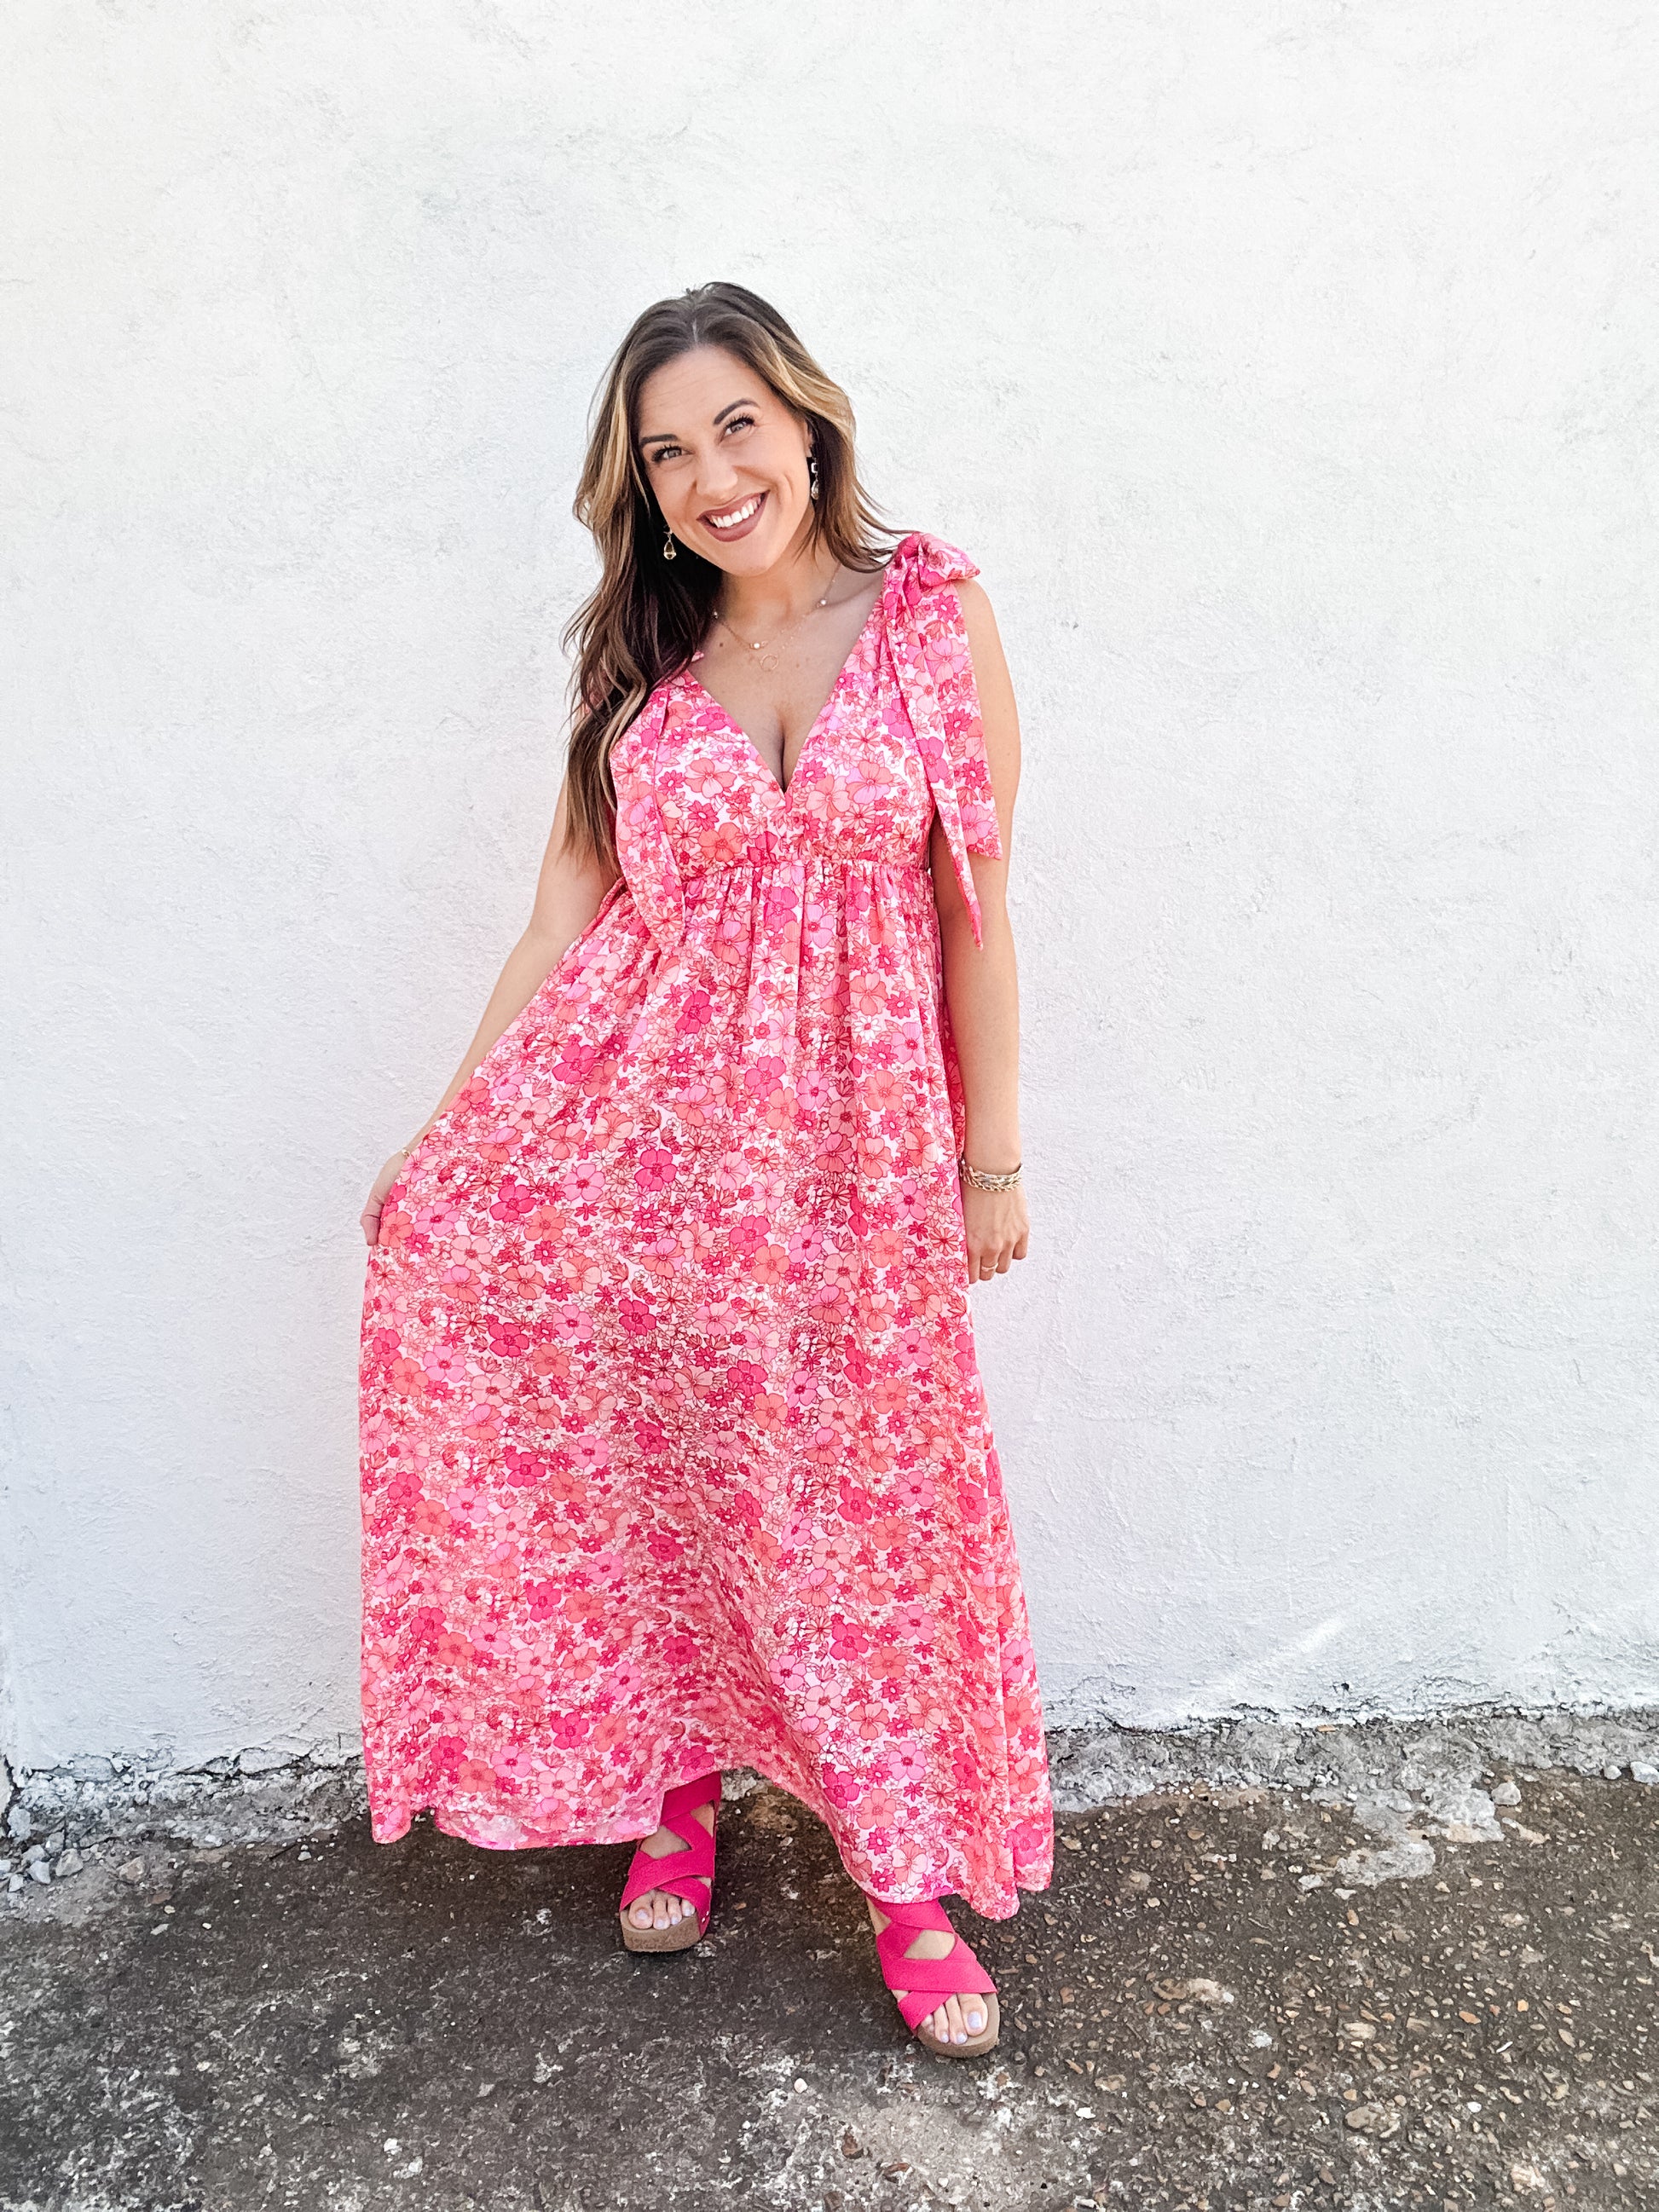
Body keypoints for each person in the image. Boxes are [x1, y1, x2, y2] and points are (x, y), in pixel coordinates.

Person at [358, 281, 1053, 2058]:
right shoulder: (640, 674)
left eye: (736, 424)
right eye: (666, 451)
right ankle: (673, 1787)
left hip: (858, 1161)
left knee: (864, 1511)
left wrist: (988, 1159)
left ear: (808, 424)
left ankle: (902, 1876)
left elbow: (976, 908)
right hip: (643, 1149)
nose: (710, 473)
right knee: (662, 1475)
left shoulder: (930, 615)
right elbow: (563, 916)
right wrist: (448, 1131)